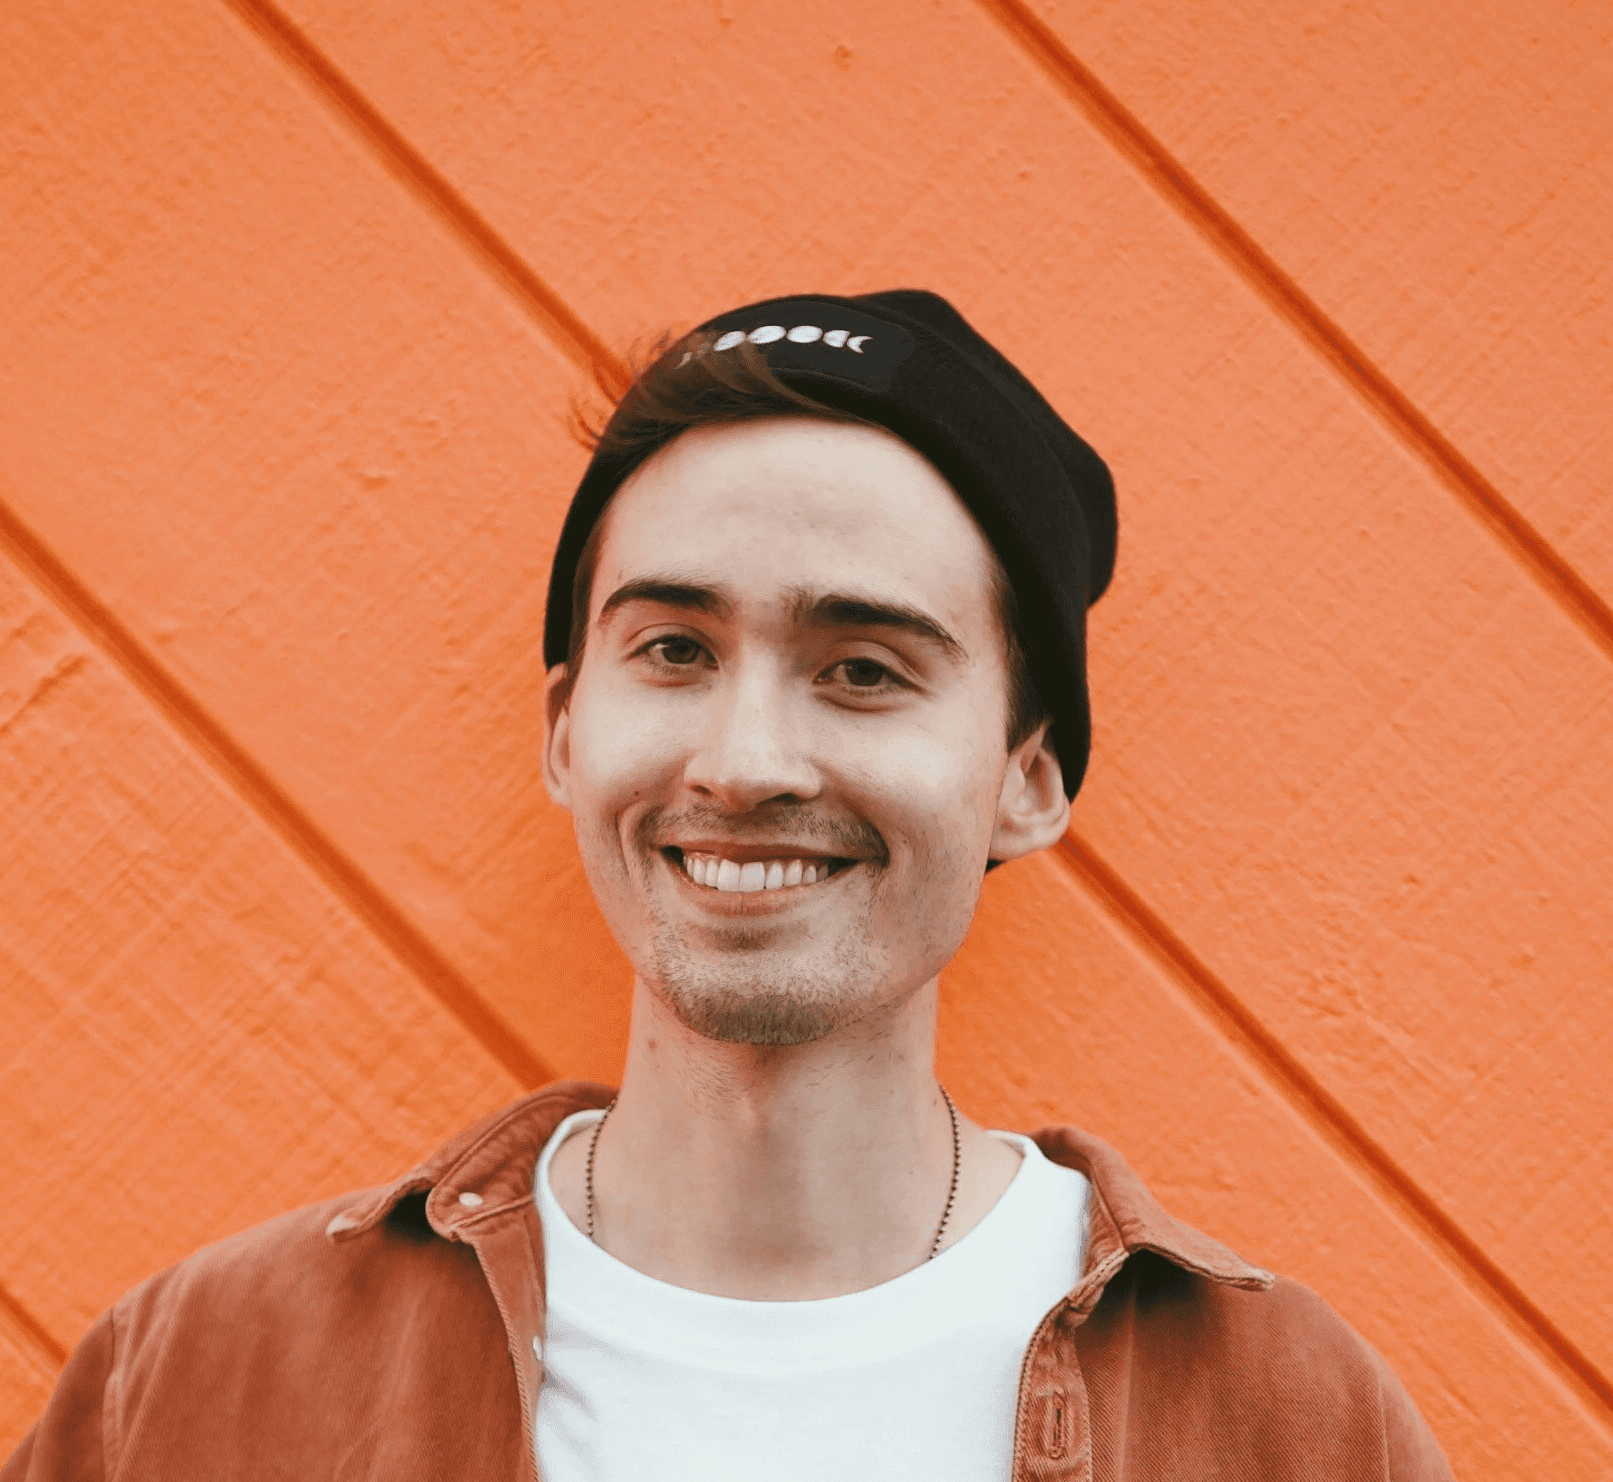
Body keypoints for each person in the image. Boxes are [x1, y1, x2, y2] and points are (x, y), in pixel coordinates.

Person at [4, 291, 1453, 1480]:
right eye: (675, 650)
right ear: (567, 730)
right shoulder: (202, 1379)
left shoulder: (1288, 1423)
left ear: (1029, 774)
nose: (747, 759)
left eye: (865, 670)